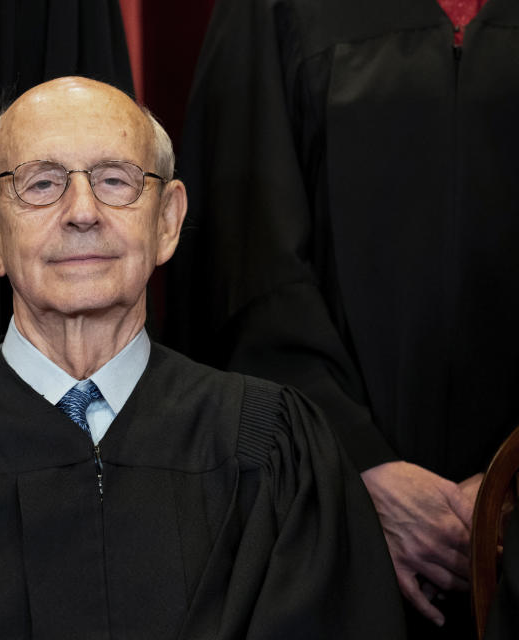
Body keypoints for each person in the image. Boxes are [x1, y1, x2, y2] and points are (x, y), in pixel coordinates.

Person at [0, 76, 404, 638]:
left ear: (168, 221)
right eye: (41, 183)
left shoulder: (272, 447)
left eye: (115, 180)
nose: (82, 213)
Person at [164, 0, 519, 636]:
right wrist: (355, 468)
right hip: (321, 512)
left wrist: (509, 481)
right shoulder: (271, 12)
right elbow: (247, 258)